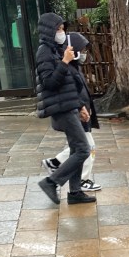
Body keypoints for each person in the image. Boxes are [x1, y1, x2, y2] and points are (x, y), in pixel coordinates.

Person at [34, 12, 94, 206]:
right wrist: (64, 62)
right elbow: (49, 83)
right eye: (58, 29)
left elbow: (69, 83)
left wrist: (80, 106)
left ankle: (75, 192)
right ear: (49, 30)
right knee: (84, 149)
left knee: (77, 148)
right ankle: (51, 182)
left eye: (62, 29)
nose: (62, 32)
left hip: (69, 105)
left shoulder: (56, 50)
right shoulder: (44, 51)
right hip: (61, 108)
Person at [41, 31, 101, 192]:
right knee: (86, 148)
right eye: (81, 50)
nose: (84, 54)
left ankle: (57, 165)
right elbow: (70, 91)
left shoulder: (75, 68)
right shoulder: (68, 69)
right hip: (75, 114)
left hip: (80, 113)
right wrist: (81, 108)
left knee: (80, 147)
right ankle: (78, 179)